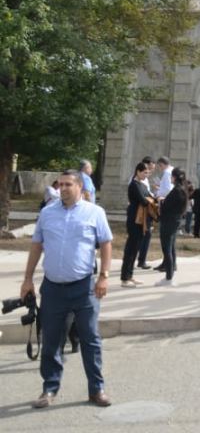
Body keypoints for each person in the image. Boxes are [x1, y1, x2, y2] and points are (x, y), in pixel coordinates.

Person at [21, 169, 113, 409]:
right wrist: (27, 279)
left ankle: (97, 389)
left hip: (84, 288)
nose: (62, 188)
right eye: (60, 184)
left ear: (80, 188)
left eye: (67, 184)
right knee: (52, 340)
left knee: (90, 339)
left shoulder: (95, 213)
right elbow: (36, 246)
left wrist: (104, 276)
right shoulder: (47, 213)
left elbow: (105, 244)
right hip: (53, 288)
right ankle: (49, 389)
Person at [120, 161, 156, 287]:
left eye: (148, 173)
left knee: (135, 249)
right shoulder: (134, 185)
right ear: (138, 171)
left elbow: (151, 197)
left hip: (142, 220)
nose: (146, 175)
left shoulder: (142, 185)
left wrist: (155, 200)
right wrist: (151, 200)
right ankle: (125, 278)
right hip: (134, 220)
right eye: (145, 172)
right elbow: (144, 200)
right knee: (130, 249)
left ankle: (130, 276)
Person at [157, 167, 188, 285]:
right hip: (174, 221)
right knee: (171, 247)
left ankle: (168, 277)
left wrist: (161, 202)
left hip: (169, 221)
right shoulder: (182, 190)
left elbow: (166, 207)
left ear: (174, 177)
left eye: (171, 176)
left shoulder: (177, 191)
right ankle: (170, 274)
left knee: (167, 249)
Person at [136, 155, 157, 270]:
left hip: (145, 211)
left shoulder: (145, 180)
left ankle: (141, 260)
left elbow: (147, 193)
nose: (150, 172)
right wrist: (152, 200)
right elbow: (143, 197)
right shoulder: (136, 181)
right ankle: (140, 260)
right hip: (140, 212)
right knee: (141, 236)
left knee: (145, 235)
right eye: (150, 169)